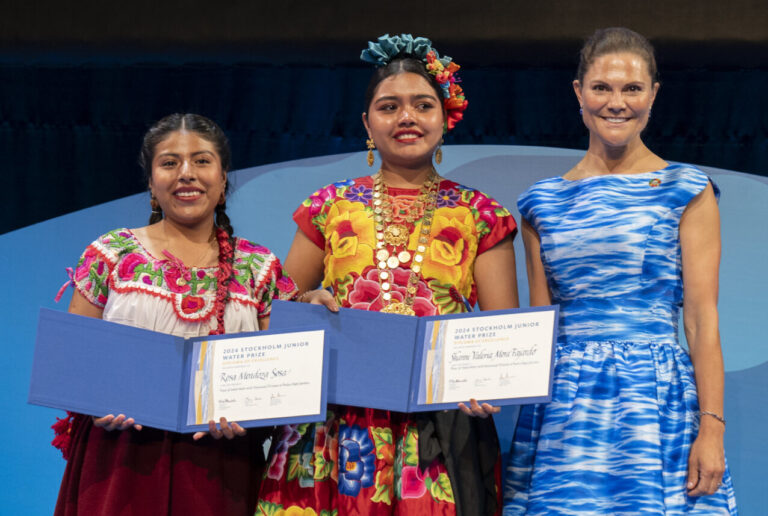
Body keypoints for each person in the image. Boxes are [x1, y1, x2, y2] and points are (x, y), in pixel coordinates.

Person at [256, 34, 519, 515]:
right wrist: (306, 302)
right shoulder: (327, 206)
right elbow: (276, 315)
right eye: (389, 106)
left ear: (445, 118)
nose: (406, 118)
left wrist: (491, 382)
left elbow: (502, 336)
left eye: (422, 105)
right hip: (330, 426)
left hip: (436, 429)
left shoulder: (481, 215)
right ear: (366, 123)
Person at [503, 28, 738, 514]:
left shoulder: (686, 188)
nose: (617, 102)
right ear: (578, 93)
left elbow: (700, 319)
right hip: (565, 406)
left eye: (632, 88)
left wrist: (712, 428)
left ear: (653, 93)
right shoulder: (540, 202)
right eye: (602, 87)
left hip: (656, 402)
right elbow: (537, 325)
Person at [52, 113, 298, 515]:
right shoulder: (110, 254)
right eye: (169, 163)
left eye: (202, 161)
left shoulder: (260, 267)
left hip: (222, 464)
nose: (187, 174)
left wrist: (251, 412)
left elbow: (283, 378)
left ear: (222, 181)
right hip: (120, 457)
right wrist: (96, 405)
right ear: (151, 183)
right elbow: (74, 363)